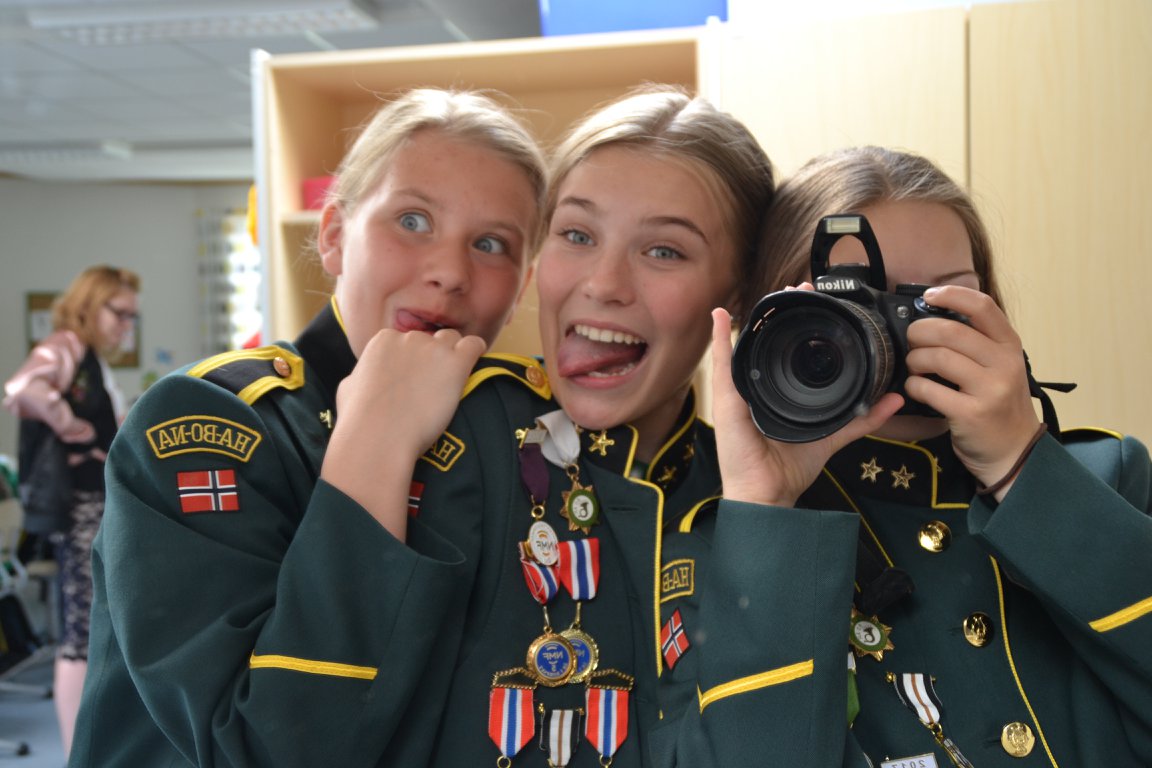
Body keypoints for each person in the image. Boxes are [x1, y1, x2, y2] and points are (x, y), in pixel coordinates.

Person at [69, 87, 547, 767]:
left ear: (521, 286)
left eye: (491, 244)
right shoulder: (210, 419)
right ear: (333, 236)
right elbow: (258, 746)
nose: (449, 273)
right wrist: (379, 438)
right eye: (412, 220)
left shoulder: (517, 442)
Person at [332, 84, 777, 766]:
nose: (603, 283)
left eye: (663, 251)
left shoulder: (760, 494)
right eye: (577, 235)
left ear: (738, 295)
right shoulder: (446, 442)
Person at [706, 145, 1152, 765]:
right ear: (772, 321)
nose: (895, 334)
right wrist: (766, 508)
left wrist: (1022, 469)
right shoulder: (732, 532)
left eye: (933, 304)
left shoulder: (1107, 477)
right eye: (851, 306)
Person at [3, 264, 140, 756]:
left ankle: (88, 750)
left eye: (132, 316)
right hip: (78, 507)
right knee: (82, 632)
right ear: (90, 304)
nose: (126, 325)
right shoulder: (64, 346)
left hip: (94, 503)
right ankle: (75, 754)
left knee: (94, 627)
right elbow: (20, 390)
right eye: (119, 312)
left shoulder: (89, 358)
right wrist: (68, 423)